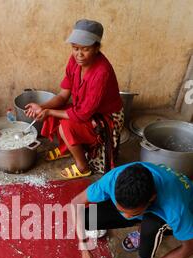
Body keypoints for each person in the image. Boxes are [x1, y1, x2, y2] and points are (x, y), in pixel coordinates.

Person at [71, 162, 193, 258]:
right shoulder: (113, 179)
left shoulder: (176, 208)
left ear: (151, 199)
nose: (126, 218)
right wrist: (84, 247)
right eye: (121, 210)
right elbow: (76, 203)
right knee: (88, 218)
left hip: (175, 211)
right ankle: (141, 226)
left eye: (133, 214)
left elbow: (188, 248)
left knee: (151, 223)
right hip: (146, 205)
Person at [25, 19, 124, 179]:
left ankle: (83, 167)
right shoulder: (74, 61)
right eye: (75, 48)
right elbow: (63, 96)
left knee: (66, 125)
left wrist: (49, 111)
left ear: (97, 48)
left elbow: (83, 115)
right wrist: (42, 107)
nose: (79, 54)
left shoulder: (101, 73)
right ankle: (66, 148)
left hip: (106, 116)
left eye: (85, 49)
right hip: (84, 108)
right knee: (56, 115)